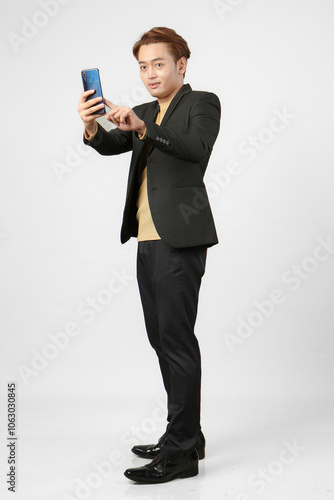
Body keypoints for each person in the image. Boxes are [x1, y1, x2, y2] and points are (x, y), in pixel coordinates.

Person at [78, 26, 221, 484]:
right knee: (161, 340)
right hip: (146, 241)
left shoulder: (202, 103)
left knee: (177, 342)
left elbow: (195, 150)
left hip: (180, 239)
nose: (150, 73)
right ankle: (186, 434)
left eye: (159, 63)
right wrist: (90, 125)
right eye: (143, 66)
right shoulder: (141, 111)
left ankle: (180, 455)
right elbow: (111, 144)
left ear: (181, 65)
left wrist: (147, 128)